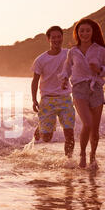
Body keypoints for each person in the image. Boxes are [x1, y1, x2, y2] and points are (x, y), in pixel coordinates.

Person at [58, 18, 105, 168]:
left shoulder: (101, 50)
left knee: (95, 129)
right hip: (79, 89)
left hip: (96, 90)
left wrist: (99, 70)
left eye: (88, 30)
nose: (85, 33)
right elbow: (67, 69)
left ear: (93, 32)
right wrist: (63, 80)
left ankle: (92, 156)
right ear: (77, 33)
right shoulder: (73, 51)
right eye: (81, 31)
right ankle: (82, 153)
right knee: (87, 124)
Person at [30, 26, 75, 158]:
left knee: (69, 133)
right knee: (46, 138)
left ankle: (69, 160)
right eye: (53, 37)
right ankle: (41, 128)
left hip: (65, 98)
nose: (56, 40)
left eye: (58, 37)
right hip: (47, 100)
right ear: (48, 39)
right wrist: (34, 99)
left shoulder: (69, 54)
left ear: (62, 37)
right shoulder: (40, 60)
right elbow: (35, 81)